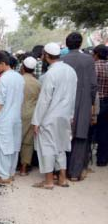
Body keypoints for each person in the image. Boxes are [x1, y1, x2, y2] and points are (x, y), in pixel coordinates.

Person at [31, 43, 78, 190]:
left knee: (47, 148)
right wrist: (71, 115)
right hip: (65, 116)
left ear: (46, 55)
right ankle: (62, 179)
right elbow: (73, 96)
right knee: (61, 146)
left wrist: (36, 121)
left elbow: (44, 100)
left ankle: (49, 181)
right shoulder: (71, 71)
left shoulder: (50, 74)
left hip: (49, 117)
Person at [61, 32, 98, 181]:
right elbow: (93, 85)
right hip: (83, 103)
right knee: (80, 138)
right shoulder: (88, 60)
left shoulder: (62, 60)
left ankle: (61, 171)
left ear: (67, 43)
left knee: (63, 136)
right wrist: (92, 105)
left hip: (64, 103)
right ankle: (75, 173)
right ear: (80, 43)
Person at [0, 51, 24, 185]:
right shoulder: (19, 77)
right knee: (14, 147)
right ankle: (11, 173)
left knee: (2, 147)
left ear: (2, 64)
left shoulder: (4, 79)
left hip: (4, 118)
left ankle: (3, 176)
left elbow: (0, 101)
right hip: (16, 118)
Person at [18, 56, 42, 176]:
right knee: (28, 142)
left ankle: (12, 166)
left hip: (17, 113)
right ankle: (23, 168)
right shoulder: (38, 83)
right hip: (32, 114)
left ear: (23, 67)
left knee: (16, 139)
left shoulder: (18, 80)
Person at [93, 44, 108, 166]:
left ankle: (95, 158)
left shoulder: (95, 66)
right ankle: (103, 157)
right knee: (105, 130)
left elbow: (92, 86)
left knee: (96, 130)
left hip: (99, 102)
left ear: (97, 54)